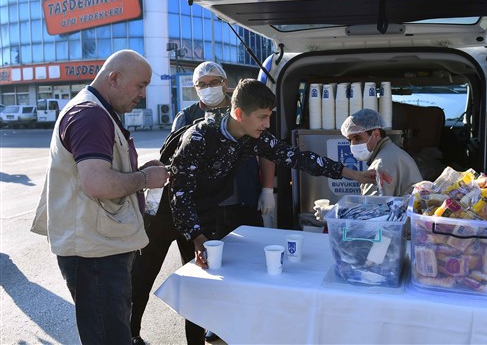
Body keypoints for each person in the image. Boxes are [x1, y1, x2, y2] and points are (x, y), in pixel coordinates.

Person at [168, 78, 389, 269]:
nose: (267, 124)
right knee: (175, 282)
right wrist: (196, 237)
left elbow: (298, 158)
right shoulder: (200, 137)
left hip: (209, 210)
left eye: (269, 116)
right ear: (239, 114)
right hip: (175, 214)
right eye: (262, 117)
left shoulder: (255, 136)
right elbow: (179, 192)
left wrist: (356, 175)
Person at [130, 62, 275, 345]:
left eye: (214, 82)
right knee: (144, 276)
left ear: (226, 83)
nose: (209, 89)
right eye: (202, 84)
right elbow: (173, 165)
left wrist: (267, 189)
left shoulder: (244, 112)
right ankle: (130, 332)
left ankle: (207, 332)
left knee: (203, 280)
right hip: (180, 210)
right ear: (195, 88)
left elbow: (269, 151)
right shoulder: (187, 118)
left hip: (223, 208)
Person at [31, 49, 170, 345]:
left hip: (99, 248)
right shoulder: (91, 115)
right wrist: (145, 179)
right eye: (140, 85)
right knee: (108, 337)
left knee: (111, 330)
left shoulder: (98, 111)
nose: (143, 95)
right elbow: (97, 183)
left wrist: (140, 171)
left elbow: (104, 172)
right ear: (115, 78)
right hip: (95, 254)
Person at [340, 108, 423, 196]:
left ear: (376, 134)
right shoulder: (392, 152)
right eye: (350, 140)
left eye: (357, 138)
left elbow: (373, 205)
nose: (353, 145)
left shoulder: (381, 164)